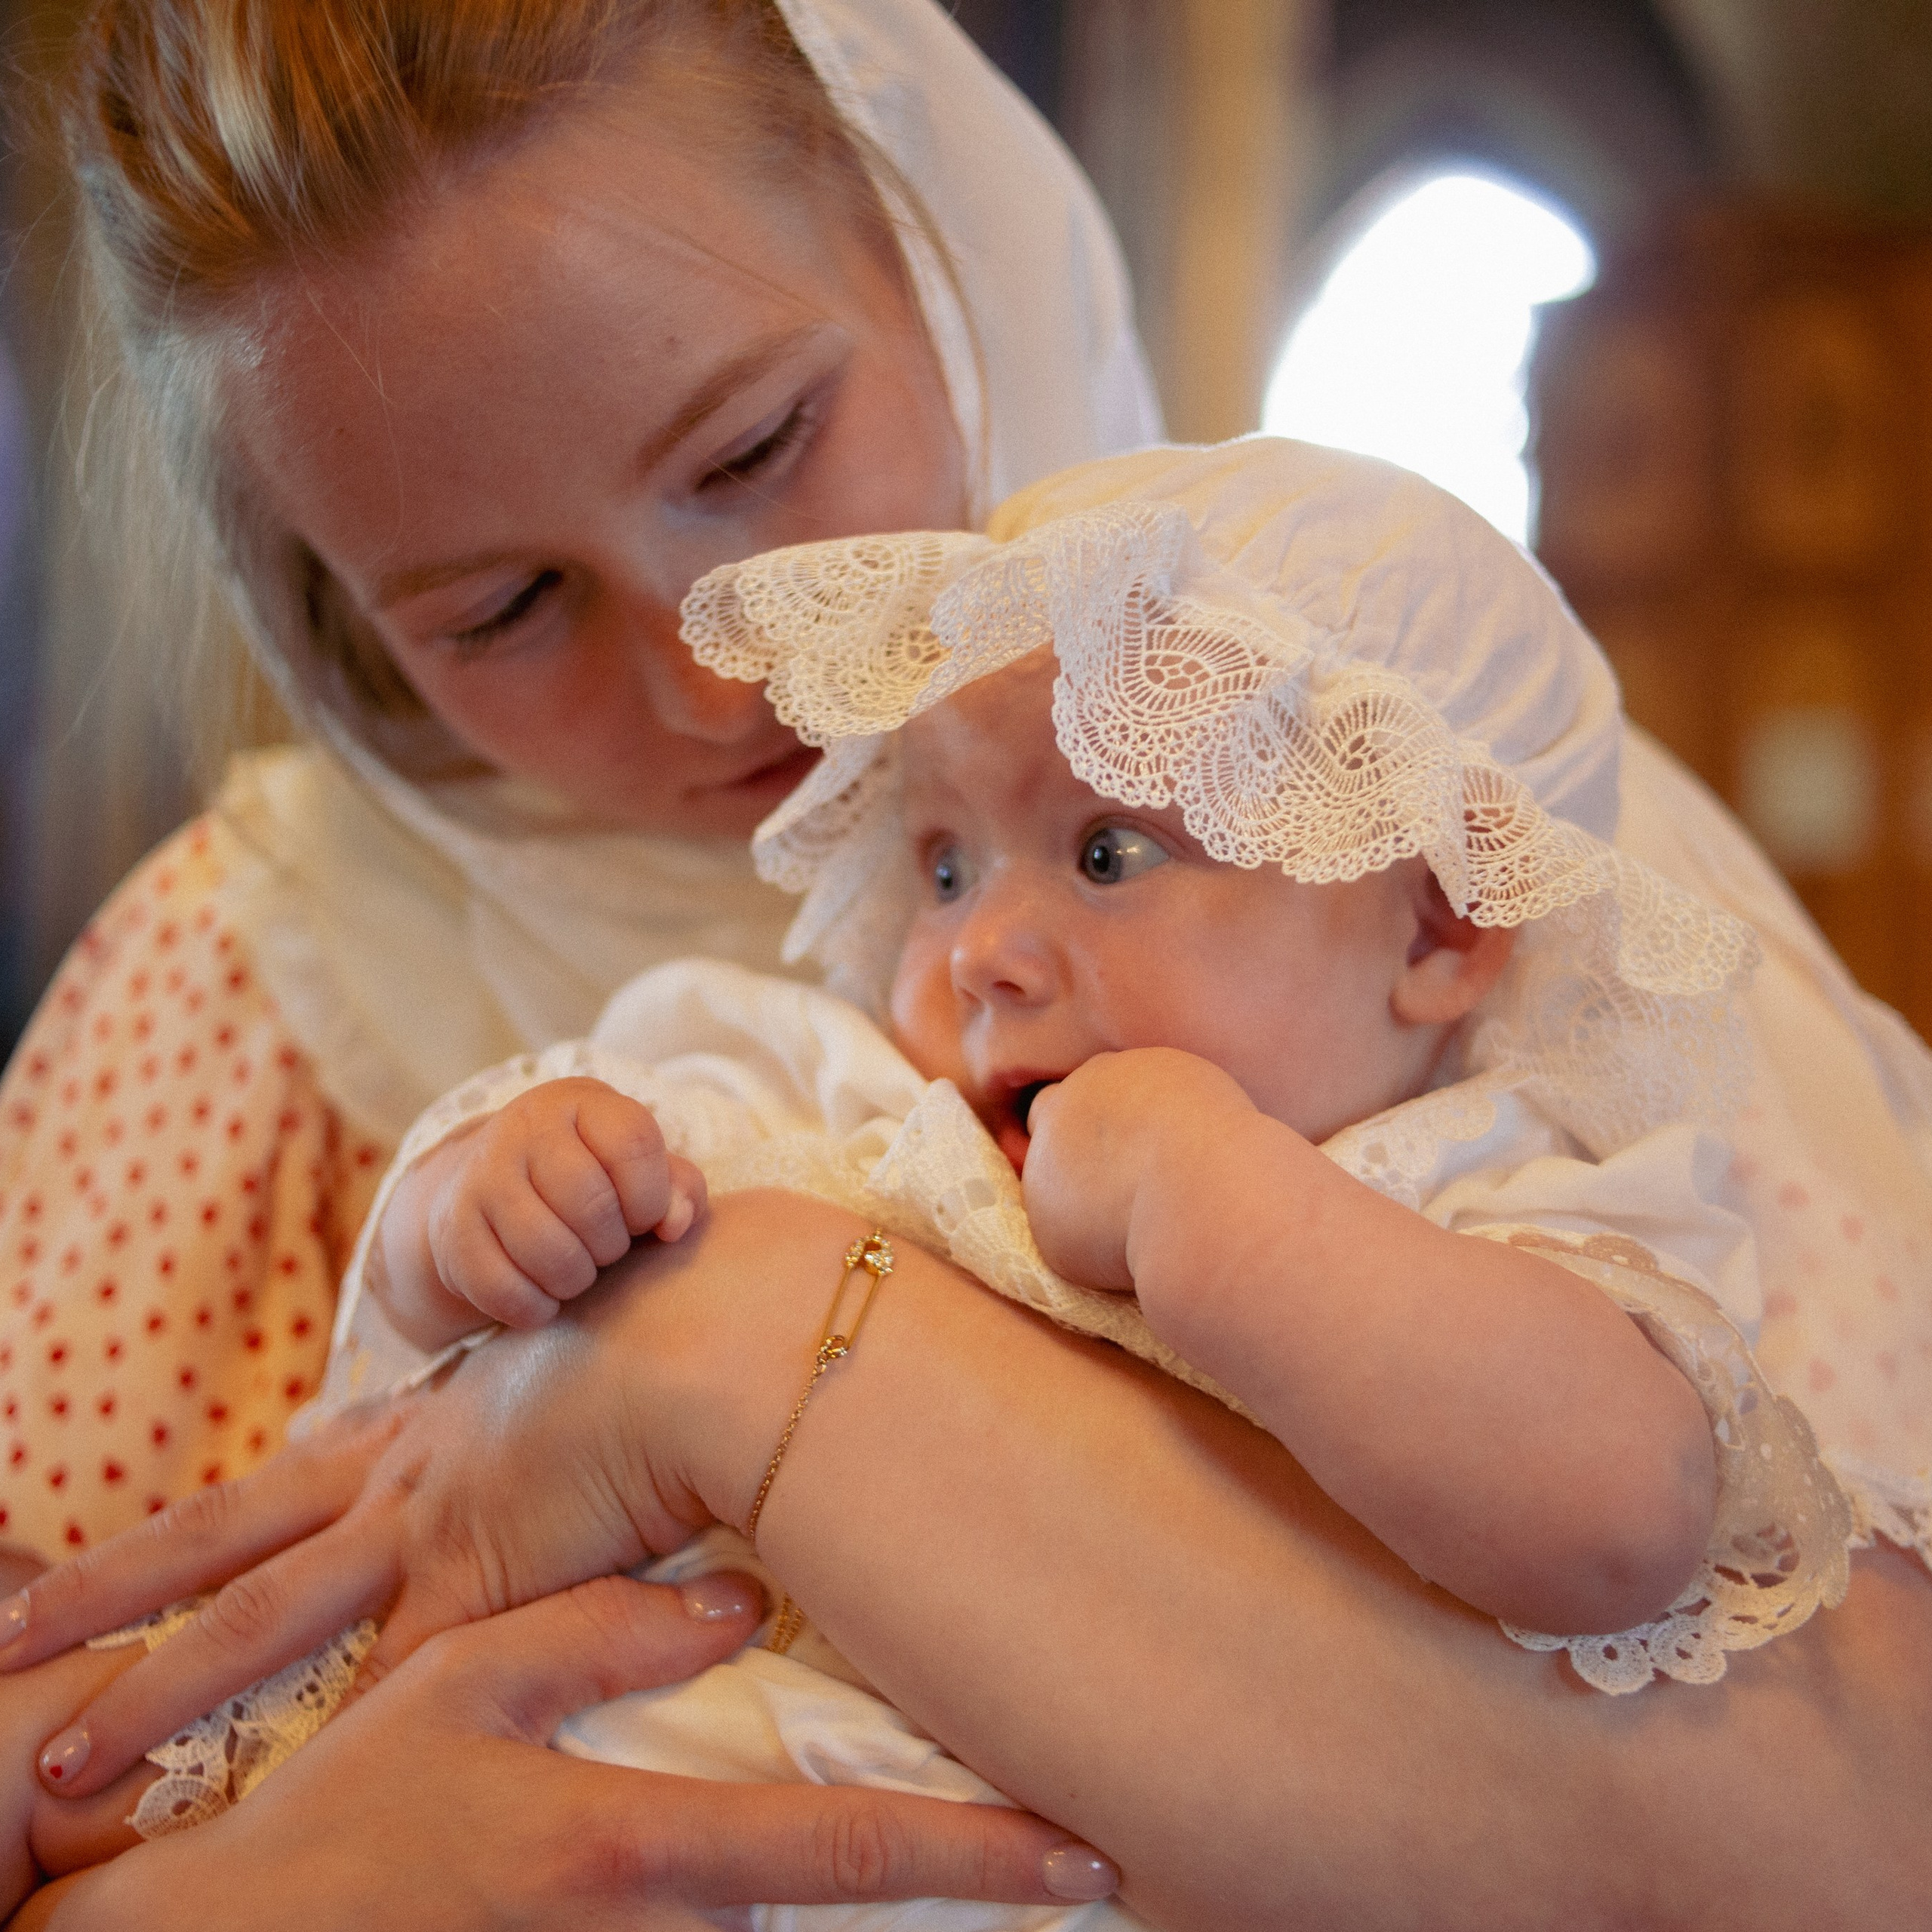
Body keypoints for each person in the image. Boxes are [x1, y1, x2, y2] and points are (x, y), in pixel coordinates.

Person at [13, 445, 1932, 1929]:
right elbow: (551, 1194)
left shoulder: (1494, 1201)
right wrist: (491, 1194)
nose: (983, 951)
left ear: (1431, 921)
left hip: (947, 1848)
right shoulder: (862, 1091)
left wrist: (1213, 1210)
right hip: (534, 1745)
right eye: (940, 866)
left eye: (1105, 852)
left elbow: (1619, 1523)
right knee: (97, 1740)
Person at [0, 0, 1152, 1913]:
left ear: (947, 238)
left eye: (758, 444)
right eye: (504, 606)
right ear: (342, 636)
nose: (711, 672)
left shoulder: (1407, 828)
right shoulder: (246, 981)